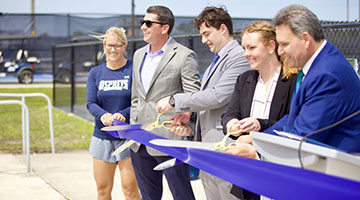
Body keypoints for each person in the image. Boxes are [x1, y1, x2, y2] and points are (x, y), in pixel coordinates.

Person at [228, 4, 360, 160]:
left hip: (337, 173)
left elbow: (304, 137)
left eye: (284, 44)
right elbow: (293, 119)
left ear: (305, 39)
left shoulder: (327, 75)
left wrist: (257, 151)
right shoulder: (316, 66)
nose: (280, 51)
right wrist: (256, 139)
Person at [156, 6, 250, 200]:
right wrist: (190, 124)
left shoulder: (239, 57)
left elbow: (218, 96)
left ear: (223, 28)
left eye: (207, 33)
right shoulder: (217, 60)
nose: (203, 40)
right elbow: (208, 104)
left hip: (226, 149)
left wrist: (175, 100)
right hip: (208, 150)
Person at [129, 6, 201, 200]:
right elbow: (136, 96)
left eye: (148, 23)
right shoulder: (138, 55)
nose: (143, 27)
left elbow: (193, 95)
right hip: (139, 140)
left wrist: (185, 119)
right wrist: (133, 126)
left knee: (182, 195)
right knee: (149, 197)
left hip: (170, 139)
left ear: (164, 28)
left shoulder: (184, 55)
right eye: (143, 23)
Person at [221, 20, 298, 200]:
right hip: (247, 171)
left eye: (252, 47)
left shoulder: (294, 81)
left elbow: (293, 123)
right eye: (244, 48)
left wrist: (259, 125)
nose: (246, 54)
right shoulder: (244, 79)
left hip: (279, 169)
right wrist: (231, 124)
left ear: (271, 46)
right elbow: (229, 114)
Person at [86, 27, 141, 200]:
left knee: (130, 189)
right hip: (102, 137)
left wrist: (123, 114)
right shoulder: (96, 73)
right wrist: (103, 115)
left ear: (125, 47)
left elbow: (140, 101)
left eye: (118, 45)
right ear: (104, 46)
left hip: (128, 137)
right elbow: (90, 103)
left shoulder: (133, 69)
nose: (113, 49)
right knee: (103, 189)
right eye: (109, 45)